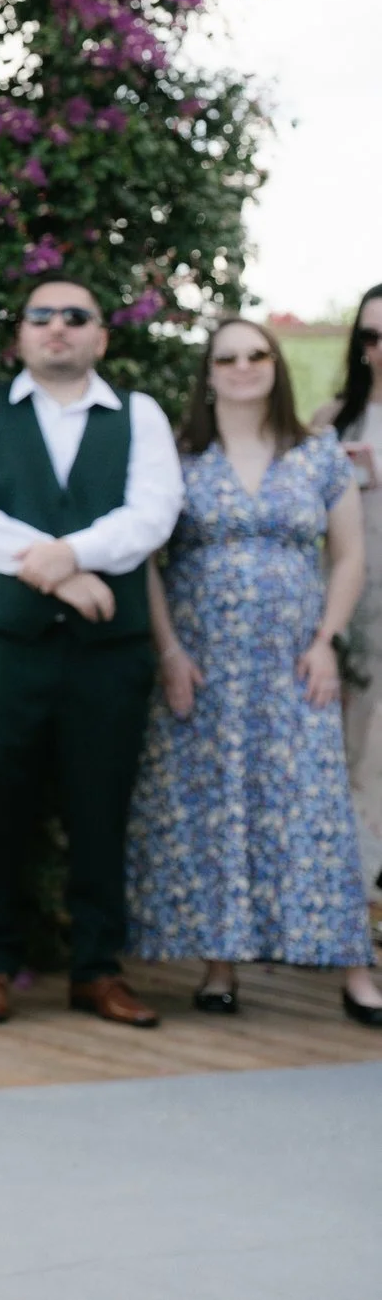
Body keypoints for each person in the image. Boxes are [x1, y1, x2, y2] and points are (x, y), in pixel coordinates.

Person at [0, 271, 183, 1027]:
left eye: (76, 315)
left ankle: (98, 968)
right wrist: (66, 576)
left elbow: (153, 514)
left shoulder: (139, 415)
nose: (58, 326)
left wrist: (64, 553)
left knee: (101, 806)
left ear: (101, 336)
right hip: (4, 643)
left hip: (111, 651)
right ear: (22, 335)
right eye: (42, 315)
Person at [129, 318, 379, 1023]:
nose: (242, 367)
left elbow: (350, 555)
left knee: (318, 808)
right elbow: (146, 560)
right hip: (202, 665)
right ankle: (219, 967)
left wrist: (327, 638)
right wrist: (170, 650)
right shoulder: (178, 458)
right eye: (226, 358)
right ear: (207, 373)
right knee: (212, 808)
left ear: (276, 365)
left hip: (295, 663)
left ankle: (356, 971)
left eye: (255, 354)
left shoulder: (318, 454)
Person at [311, 282, 382, 911]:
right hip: (348, 616)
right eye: (371, 335)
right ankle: (352, 906)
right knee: (353, 763)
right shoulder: (334, 420)